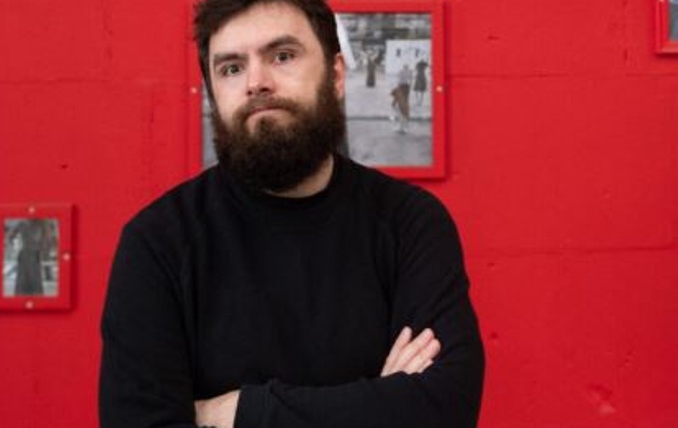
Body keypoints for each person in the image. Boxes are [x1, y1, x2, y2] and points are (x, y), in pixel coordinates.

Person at [99, 0, 484, 427]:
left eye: (282, 56)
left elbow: (443, 409)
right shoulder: (159, 244)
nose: (256, 83)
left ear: (336, 75)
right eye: (231, 68)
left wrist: (240, 412)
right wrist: (382, 403)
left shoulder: (410, 223)